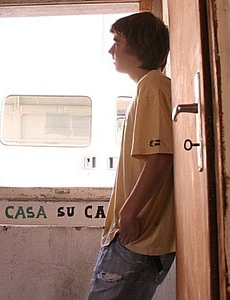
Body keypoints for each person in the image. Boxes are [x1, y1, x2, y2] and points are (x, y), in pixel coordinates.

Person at [88, 11, 175, 300]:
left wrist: (128, 212)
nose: (111, 50)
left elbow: (160, 157)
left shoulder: (152, 86)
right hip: (137, 237)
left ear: (137, 47)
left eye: (117, 40)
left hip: (137, 237)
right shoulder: (150, 87)